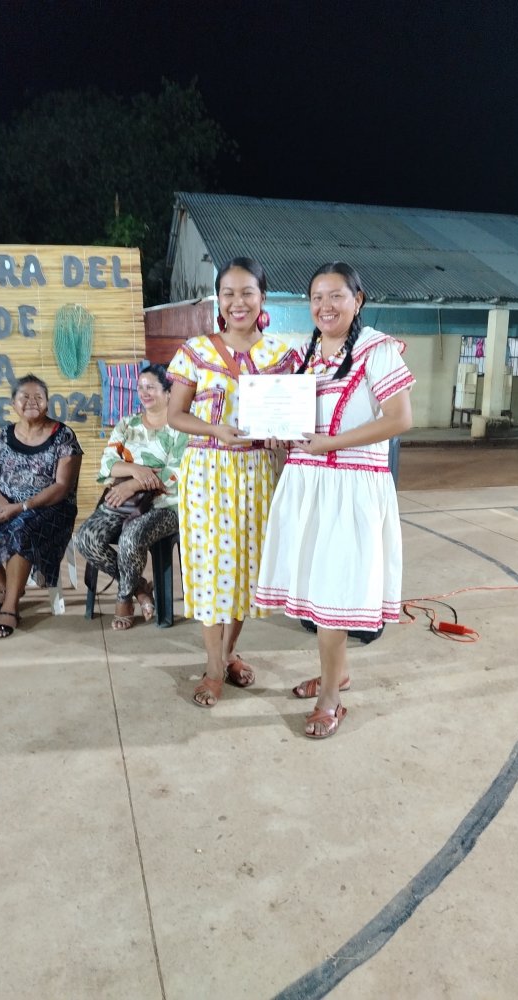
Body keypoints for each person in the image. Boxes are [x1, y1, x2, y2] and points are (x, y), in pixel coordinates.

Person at [255, 262, 415, 739]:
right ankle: (335, 674)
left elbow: (400, 418)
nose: (325, 306)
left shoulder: (377, 350)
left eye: (336, 296)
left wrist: (332, 442)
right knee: (316, 592)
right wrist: (277, 437)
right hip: (307, 485)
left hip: (351, 489)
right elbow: (288, 421)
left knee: (333, 592)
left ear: (358, 300)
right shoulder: (302, 356)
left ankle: (331, 697)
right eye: (317, 298)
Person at [168, 257, 300, 707]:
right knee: (209, 571)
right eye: (228, 293)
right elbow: (176, 415)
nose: (237, 301)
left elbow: (294, 419)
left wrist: (285, 436)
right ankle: (211, 669)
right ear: (217, 299)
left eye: (247, 292)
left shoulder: (283, 356)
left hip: (257, 473)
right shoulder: (195, 351)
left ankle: (227, 654)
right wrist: (215, 430)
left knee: (245, 570)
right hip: (207, 475)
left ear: (263, 297)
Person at [0, 374, 83, 638]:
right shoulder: (5, 435)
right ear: (13, 403)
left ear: (47, 402)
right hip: (5, 503)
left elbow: (60, 487)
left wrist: (20, 507)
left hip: (50, 508)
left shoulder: (63, 435)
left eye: (38, 397)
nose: (32, 402)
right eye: (25, 397)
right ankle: (9, 587)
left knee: (20, 529)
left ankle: (10, 607)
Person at [74, 364, 188, 630]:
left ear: (169, 392)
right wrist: (137, 472)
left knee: (131, 539)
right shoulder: (128, 425)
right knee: (85, 539)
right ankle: (140, 589)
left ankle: (124, 598)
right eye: (140, 388)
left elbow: (176, 471)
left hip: (164, 505)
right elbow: (107, 465)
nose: (144, 393)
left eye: (151, 387)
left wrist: (133, 485)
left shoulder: (180, 427)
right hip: (122, 501)